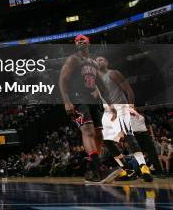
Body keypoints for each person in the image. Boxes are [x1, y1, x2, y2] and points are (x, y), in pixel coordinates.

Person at [59, 34, 118, 183]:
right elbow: (62, 80)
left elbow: (102, 85)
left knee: (99, 135)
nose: (80, 41)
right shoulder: (73, 59)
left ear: (88, 42)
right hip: (77, 98)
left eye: (83, 39)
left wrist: (110, 103)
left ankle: (92, 172)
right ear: (75, 44)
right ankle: (100, 169)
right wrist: (67, 101)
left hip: (92, 100)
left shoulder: (93, 62)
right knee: (89, 132)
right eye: (77, 40)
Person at [95, 56, 152, 182]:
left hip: (121, 109)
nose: (99, 61)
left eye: (102, 59)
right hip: (108, 112)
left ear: (107, 62)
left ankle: (143, 167)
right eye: (97, 60)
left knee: (128, 136)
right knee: (107, 141)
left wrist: (131, 106)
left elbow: (129, 91)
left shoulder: (113, 73)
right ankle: (128, 170)